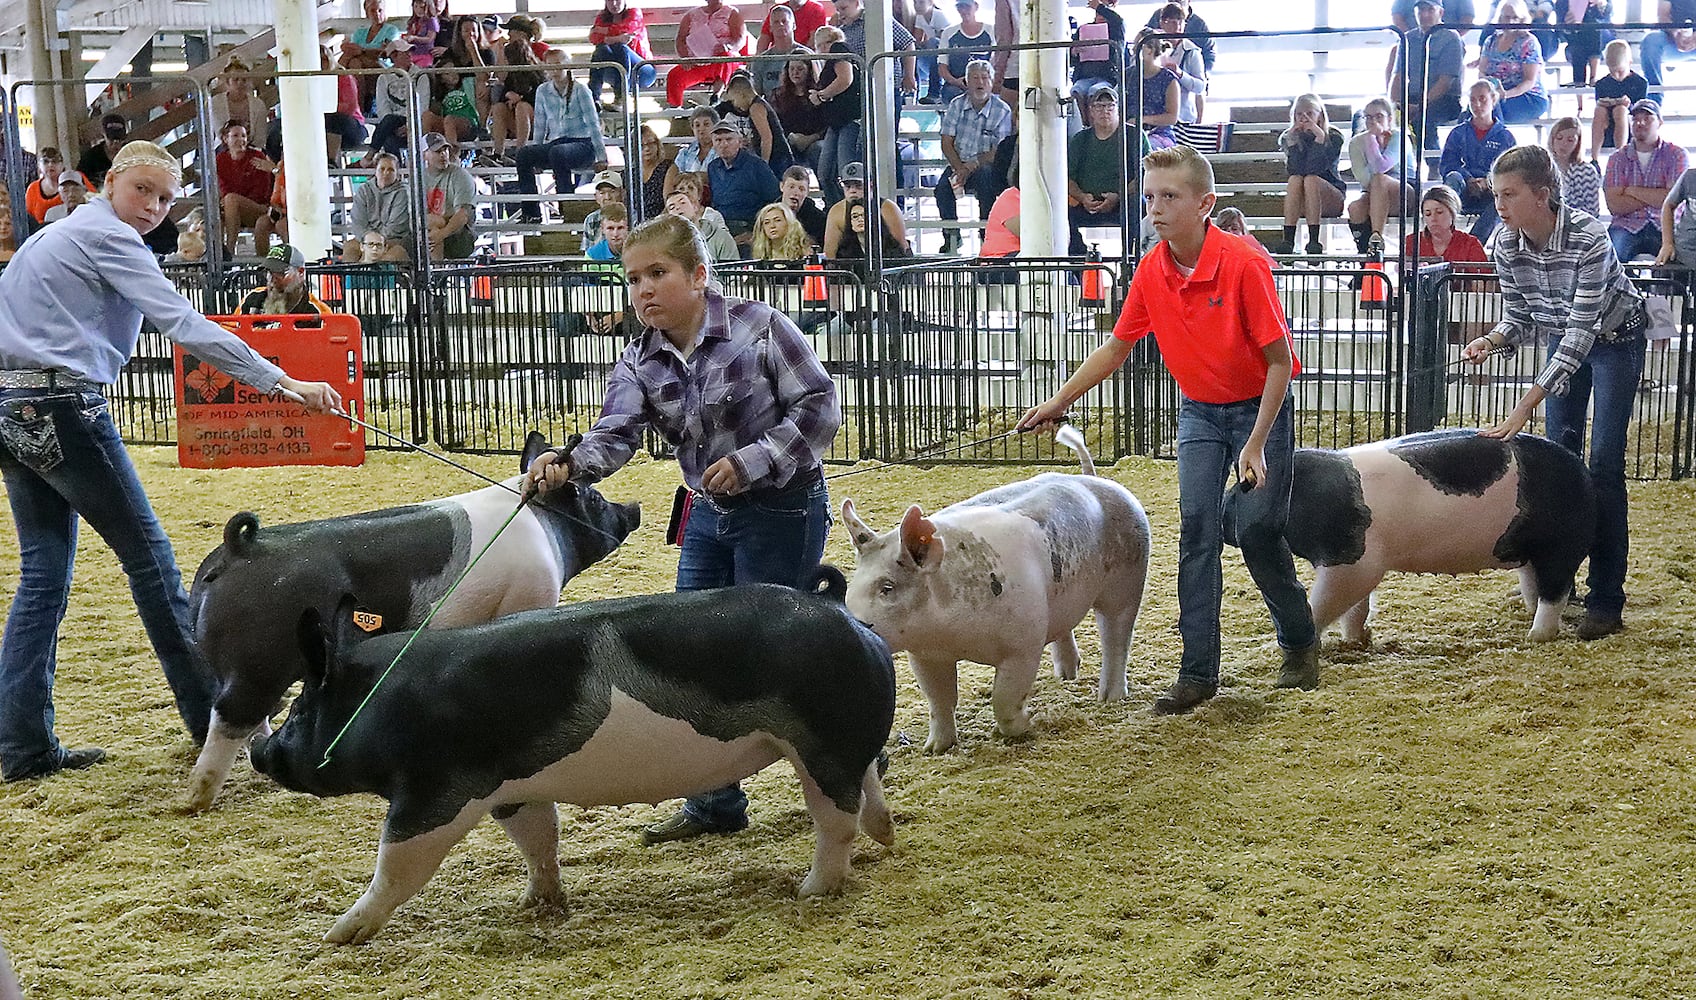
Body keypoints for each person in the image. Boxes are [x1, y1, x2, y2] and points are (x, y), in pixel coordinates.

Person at [0, 140, 340, 782]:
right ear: (110, 185)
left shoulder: (55, 236)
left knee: (44, 575)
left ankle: (21, 745)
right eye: (142, 191)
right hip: (62, 403)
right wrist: (283, 382)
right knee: (152, 563)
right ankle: (216, 725)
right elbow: (183, 324)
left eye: (164, 198)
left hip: (10, 408)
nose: (153, 207)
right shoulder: (110, 239)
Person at [523, 213, 839, 844]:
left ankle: (851, 763)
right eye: (633, 277)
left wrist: (751, 461)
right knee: (691, 654)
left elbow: (820, 407)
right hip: (706, 515)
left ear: (699, 275)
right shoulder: (639, 358)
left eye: (657, 274)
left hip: (782, 509)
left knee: (780, 652)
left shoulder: (762, 328)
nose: (642, 290)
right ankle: (714, 802)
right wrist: (567, 463)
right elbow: (617, 435)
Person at [1018, 143, 1317, 715]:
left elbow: (1281, 362)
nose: (1154, 208)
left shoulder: (1243, 264)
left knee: (1256, 529)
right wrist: (1057, 403)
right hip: (1200, 412)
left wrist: (1255, 443)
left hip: (1261, 408)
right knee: (1197, 532)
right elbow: (1117, 347)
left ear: (1205, 203)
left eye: (1169, 197)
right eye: (1150, 196)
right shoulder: (1152, 270)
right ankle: (1198, 672)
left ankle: (1299, 639)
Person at [1461, 144, 1645, 641]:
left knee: (1604, 466)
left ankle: (1606, 597)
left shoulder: (1589, 236)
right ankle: (1559, 584)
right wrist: (1493, 339)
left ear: (1543, 195)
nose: (1498, 204)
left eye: (1509, 194)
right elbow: (1520, 318)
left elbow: (1581, 335)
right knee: (1562, 468)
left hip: (1614, 341)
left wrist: (1524, 405)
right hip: (1562, 341)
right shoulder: (1504, 242)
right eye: (1497, 194)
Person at [515, 51, 608, 223]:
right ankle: (531, 211)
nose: (554, 69)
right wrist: (537, 149)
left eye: (558, 64)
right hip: (556, 144)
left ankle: (567, 209)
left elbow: (593, 124)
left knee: (558, 152)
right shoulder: (542, 91)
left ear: (567, 65)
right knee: (524, 154)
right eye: (550, 65)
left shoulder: (581, 90)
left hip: (582, 144)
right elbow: (541, 125)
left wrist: (601, 156)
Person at [934, 60, 1013, 254]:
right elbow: (946, 142)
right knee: (942, 189)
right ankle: (952, 237)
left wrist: (970, 166)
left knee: (986, 182)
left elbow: (1000, 151)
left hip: (985, 165)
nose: (980, 82)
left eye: (985, 78)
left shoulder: (1002, 110)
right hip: (958, 162)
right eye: (975, 77)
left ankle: (986, 236)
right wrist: (959, 168)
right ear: (967, 81)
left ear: (992, 81)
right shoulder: (956, 104)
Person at [1602, 99, 1686, 265]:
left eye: (1648, 118)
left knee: (1682, 260)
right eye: (1635, 119)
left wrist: (1631, 190)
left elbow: (1671, 200)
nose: (1640, 122)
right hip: (1625, 226)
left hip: (1667, 226)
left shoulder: (1677, 155)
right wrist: (1656, 195)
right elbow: (1614, 205)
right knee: (1608, 261)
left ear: (1660, 122)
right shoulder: (1617, 158)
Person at [1440, 79, 1516, 242]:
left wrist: (1488, 182)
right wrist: (1468, 179)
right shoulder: (1458, 133)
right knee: (1453, 178)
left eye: (1482, 98)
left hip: (1492, 192)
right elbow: (1447, 165)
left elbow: (1511, 170)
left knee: (1505, 198)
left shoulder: (1505, 136)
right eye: (1473, 99)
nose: (1477, 104)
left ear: (1493, 100)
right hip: (1463, 190)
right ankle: (1442, 232)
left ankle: (1474, 242)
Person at [1067, 84, 1137, 256]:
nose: (1104, 111)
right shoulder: (1080, 140)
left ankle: (1129, 260)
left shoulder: (1134, 136)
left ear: (1118, 109)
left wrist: (1119, 196)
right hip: (1086, 203)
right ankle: (1078, 263)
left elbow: (1145, 175)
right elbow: (1066, 177)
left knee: (1138, 204)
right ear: (1091, 111)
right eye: (1099, 106)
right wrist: (1082, 197)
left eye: (1110, 106)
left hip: (1123, 202)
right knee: (1060, 212)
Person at [1345, 98, 1418, 257]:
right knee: (1355, 208)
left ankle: (1377, 237)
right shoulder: (1356, 142)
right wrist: (1371, 140)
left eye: (1379, 116)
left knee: (1380, 179)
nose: (1373, 121)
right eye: (1369, 117)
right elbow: (1363, 179)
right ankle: (1366, 257)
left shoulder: (1399, 137)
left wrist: (1372, 142)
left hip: (1404, 192)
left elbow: (1381, 167)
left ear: (1389, 119)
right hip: (1372, 193)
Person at [1275, 93, 1345, 255]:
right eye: (1299, 114)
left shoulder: (1333, 136)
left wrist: (1319, 138)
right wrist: (1292, 144)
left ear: (1320, 115)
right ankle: (1288, 240)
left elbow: (1316, 169)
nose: (1304, 118)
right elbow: (1295, 170)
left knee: (1311, 179)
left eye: (1309, 113)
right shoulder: (1289, 137)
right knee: (1295, 180)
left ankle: (1314, 241)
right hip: (1303, 198)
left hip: (1330, 197)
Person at [1389, 0, 1465, 149]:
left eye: (1430, 10)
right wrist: (1394, 103)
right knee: (1374, 114)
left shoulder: (1451, 38)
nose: (1424, 14)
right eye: (1421, 10)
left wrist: (1419, 106)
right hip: (1412, 97)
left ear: (1440, 12)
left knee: (1423, 119)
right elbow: (1397, 76)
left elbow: (1444, 82)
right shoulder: (1407, 38)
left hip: (1444, 100)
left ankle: (1434, 166)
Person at [707, 122, 782, 250]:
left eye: (729, 139)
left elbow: (775, 201)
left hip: (748, 229)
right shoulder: (712, 167)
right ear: (713, 144)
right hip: (720, 227)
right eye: (718, 140)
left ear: (739, 142)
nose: (723, 144)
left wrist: (757, 232)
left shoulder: (757, 166)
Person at [810, 25, 862, 204]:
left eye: (825, 44)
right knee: (825, 173)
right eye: (819, 46)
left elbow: (845, 79)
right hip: (836, 123)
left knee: (846, 172)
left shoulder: (839, 50)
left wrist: (822, 95)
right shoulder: (832, 60)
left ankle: (851, 210)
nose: (822, 49)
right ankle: (837, 211)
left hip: (849, 120)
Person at [423, 15, 494, 148]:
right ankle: (425, 155)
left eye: (474, 30)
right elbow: (441, 74)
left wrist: (473, 51)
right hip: (451, 103)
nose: (470, 34)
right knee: (427, 116)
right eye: (466, 30)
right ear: (459, 33)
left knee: (481, 85)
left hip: (471, 109)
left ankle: (453, 154)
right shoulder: (451, 53)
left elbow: (485, 77)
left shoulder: (486, 53)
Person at [667, 0, 749, 107]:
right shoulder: (691, 15)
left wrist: (726, 47)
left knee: (726, 58)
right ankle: (675, 109)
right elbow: (680, 39)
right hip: (697, 62)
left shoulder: (732, 13)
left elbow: (740, 39)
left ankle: (716, 96)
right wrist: (685, 58)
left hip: (723, 63)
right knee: (674, 75)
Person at [1479, 0, 1550, 124]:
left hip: (1528, 96)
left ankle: (1498, 141)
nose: (1510, 22)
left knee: (1492, 108)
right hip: (1495, 94)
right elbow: (1481, 72)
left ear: (1522, 19)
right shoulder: (1490, 41)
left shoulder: (1528, 42)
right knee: (1473, 107)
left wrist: (1505, 94)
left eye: (1515, 18)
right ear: (1500, 18)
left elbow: (1529, 81)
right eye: (1507, 17)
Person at [215, 120, 277, 258]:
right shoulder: (221, 160)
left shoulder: (257, 157)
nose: (241, 140)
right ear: (226, 139)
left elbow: (262, 192)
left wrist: (237, 201)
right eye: (235, 136)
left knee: (231, 199)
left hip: (259, 207)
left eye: (243, 136)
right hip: (232, 207)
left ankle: (229, 250)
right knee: (213, 215)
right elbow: (223, 187)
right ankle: (214, 257)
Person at [824, 161, 909, 258]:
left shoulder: (888, 209)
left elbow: (902, 249)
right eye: (847, 186)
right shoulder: (837, 212)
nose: (852, 190)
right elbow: (829, 254)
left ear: (871, 185)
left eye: (858, 185)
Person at [716, 72, 794, 174]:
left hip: (778, 159)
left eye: (734, 100)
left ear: (741, 94)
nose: (735, 105)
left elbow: (767, 138)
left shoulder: (756, 108)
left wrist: (763, 164)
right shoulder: (757, 104)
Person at [238, 244, 332, 323]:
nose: (272, 280)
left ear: (301, 272)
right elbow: (231, 332)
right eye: (268, 272)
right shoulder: (252, 299)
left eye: (280, 273)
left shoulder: (318, 313)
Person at [344, 152, 412, 262]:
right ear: (376, 170)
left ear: (397, 174)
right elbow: (358, 223)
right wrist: (369, 242)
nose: (386, 173)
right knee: (350, 248)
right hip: (366, 239)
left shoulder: (403, 192)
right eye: (382, 169)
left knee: (387, 257)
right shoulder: (363, 190)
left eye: (391, 170)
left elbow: (396, 227)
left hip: (395, 239)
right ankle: (351, 279)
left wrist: (375, 243)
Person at [488, 37, 544, 166]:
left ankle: (521, 152)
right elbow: (503, 97)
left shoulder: (538, 73)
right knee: (498, 108)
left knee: (522, 107)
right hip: (516, 122)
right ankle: (498, 153)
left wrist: (521, 99)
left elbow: (540, 98)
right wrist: (508, 94)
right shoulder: (511, 76)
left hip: (535, 122)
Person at [420, 131, 476, 259]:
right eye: (437, 151)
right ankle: (436, 275)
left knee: (434, 228)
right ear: (424, 155)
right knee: (432, 226)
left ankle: (435, 275)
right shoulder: (418, 178)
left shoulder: (461, 175)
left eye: (445, 150)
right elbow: (416, 218)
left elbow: (463, 215)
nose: (443, 154)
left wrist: (441, 233)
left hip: (459, 234)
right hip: (427, 231)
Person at [589, 0, 657, 103]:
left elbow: (626, 29)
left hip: (641, 69)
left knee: (621, 47)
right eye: (610, 1)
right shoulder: (601, 17)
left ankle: (621, 99)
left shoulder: (634, 13)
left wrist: (605, 33)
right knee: (600, 49)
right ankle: (594, 99)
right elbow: (594, 38)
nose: (614, 4)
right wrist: (617, 38)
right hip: (615, 71)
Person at [341, 0, 403, 113]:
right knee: (355, 62)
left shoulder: (391, 30)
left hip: (382, 66)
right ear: (367, 13)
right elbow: (350, 49)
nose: (377, 14)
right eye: (373, 11)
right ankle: (359, 107)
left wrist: (362, 50)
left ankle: (358, 106)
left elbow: (386, 52)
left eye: (380, 10)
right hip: (361, 67)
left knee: (354, 62)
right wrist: (365, 51)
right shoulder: (360, 32)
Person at [1404, 184, 1488, 262]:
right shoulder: (1412, 242)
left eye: (1439, 212)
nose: (1433, 218)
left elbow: (1484, 276)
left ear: (1452, 213)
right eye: (1428, 214)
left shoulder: (1470, 244)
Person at [664, 177, 740, 261]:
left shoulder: (721, 237)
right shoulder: (666, 245)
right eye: (672, 207)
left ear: (695, 207)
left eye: (682, 202)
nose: (678, 207)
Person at [1156, 2, 1207, 124]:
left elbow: (1200, 86)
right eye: (1173, 22)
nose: (1177, 26)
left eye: (1181, 22)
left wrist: (1180, 73)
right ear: (1162, 23)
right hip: (1157, 114)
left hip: (1183, 117)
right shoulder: (1152, 46)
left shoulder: (1191, 51)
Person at [938, 0, 994, 104]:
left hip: (983, 83)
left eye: (967, 6)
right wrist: (956, 82)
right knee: (954, 95)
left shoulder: (990, 30)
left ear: (976, 6)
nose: (963, 10)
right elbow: (942, 67)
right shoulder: (948, 33)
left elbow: (995, 61)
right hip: (955, 85)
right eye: (960, 7)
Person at [1132, 29, 1180, 150]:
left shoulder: (1168, 80)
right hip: (1129, 132)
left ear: (1151, 50)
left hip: (1159, 134)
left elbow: (1172, 117)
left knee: (1143, 148)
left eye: (1138, 46)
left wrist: (1141, 120)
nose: (1133, 50)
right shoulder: (1127, 75)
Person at [751, 3, 811, 99]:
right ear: (770, 28)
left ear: (794, 25)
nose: (780, 24)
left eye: (784, 21)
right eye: (776, 22)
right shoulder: (760, 61)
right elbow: (755, 95)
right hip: (771, 110)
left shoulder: (808, 55)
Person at [831, 196, 908, 268]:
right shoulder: (844, 250)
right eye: (855, 216)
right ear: (850, 222)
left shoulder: (891, 246)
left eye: (864, 215)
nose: (860, 219)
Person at [1548, 115, 1601, 217]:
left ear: (1578, 143)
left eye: (1570, 140)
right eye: (1559, 138)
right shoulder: (1542, 168)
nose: (1564, 143)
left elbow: (1592, 211)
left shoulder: (1587, 171)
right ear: (1552, 139)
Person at [1641, 0, 1696, 97]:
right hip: (1671, 38)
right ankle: (1653, 100)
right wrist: (1675, 33)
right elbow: (1663, 16)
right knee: (1651, 40)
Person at [665, 105, 723, 195]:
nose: (701, 129)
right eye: (697, 125)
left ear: (716, 126)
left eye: (706, 124)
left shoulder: (722, 151)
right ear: (692, 129)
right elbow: (672, 179)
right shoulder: (685, 153)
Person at [1556, 0, 1614, 86]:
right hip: (1575, 39)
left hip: (1600, 37)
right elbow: (1560, 28)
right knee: (1577, 44)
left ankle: (1587, 78)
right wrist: (1567, 24)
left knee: (1594, 29)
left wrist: (1601, 4)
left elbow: (1608, 12)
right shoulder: (1563, 2)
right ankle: (1585, 81)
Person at [910, 0, 954, 103]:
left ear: (930, 3)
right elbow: (917, 39)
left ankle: (935, 93)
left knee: (934, 43)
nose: (917, 6)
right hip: (932, 57)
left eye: (921, 2)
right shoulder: (919, 17)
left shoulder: (939, 15)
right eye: (915, 2)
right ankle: (913, 93)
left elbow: (946, 41)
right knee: (912, 51)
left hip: (946, 58)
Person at [77, 113, 128, 191]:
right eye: (111, 139)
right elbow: (79, 180)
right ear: (103, 135)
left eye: (119, 139)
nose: (115, 143)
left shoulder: (131, 153)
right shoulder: (91, 157)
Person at [781, 164, 828, 245]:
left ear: (807, 192)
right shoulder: (769, 215)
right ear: (782, 187)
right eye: (791, 187)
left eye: (801, 189)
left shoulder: (818, 219)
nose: (796, 192)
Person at [636, 124, 674, 220]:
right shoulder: (628, 173)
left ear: (657, 144)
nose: (647, 149)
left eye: (650, 143)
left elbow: (669, 202)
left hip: (660, 221)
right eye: (641, 145)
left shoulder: (668, 167)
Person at [582, 170, 626, 247]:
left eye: (612, 191)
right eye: (602, 193)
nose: (607, 197)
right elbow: (588, 253)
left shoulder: (633, 216)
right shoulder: (591, 219)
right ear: (596, 197)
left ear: (622, 193)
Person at [24, 147, 65, 229]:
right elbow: (28, 220)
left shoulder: (74, 181)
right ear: (39, 165)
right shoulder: (32, 189)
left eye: (55, 161)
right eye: (45, 161)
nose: (50, 165)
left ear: (62, 164)